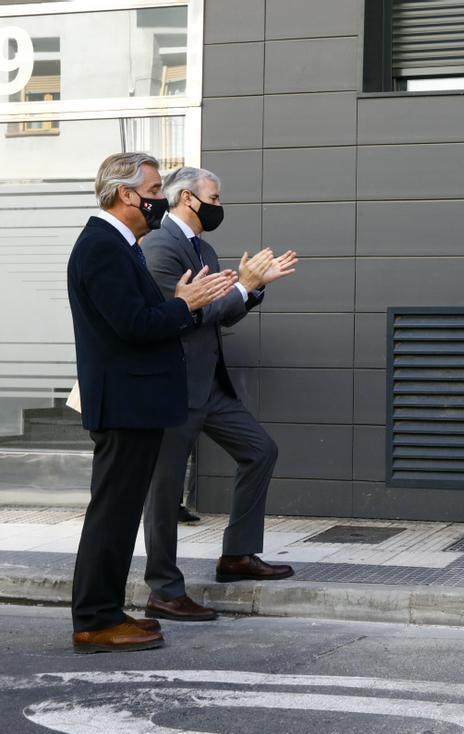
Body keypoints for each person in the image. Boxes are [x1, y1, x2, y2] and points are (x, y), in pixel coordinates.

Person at [67, 152, 236, 653]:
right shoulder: (102, 247)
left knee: (117, 515)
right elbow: (133, 327)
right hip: (124, 404)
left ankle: (107, 612)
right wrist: (185, 306)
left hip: (133, 402)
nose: (160, 198)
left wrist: (179, 304)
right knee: (112, 516)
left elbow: (138, 318)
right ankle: (95, 621)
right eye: (156, 189)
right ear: (126, 194)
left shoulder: (121, 246)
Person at [140, 166, 299, 622]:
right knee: (163, 490)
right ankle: (164, 590)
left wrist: (253, 286)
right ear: (189, 198)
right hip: (173, 386)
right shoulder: (158, 246)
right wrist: (243, 286)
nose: (219, 203)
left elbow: (220, 314)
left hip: (209, 385)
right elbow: (187, 315)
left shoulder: (200, 246)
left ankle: (237, 556)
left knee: (260, 450)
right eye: (215, 195)